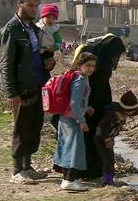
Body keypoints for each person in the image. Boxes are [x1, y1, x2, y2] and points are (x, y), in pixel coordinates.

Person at [0, 0, 54, 184]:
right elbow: (6, 64)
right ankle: (17, 170)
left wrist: (48, 62)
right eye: (30, 5)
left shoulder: (34, 29)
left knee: (33, 126)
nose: (34, 10)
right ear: (19, 5)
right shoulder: (12, 30)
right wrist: (12, 92)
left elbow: (37, 56)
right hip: (21, 88)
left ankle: (28, 167)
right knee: (21, 128)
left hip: (36, 84)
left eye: (36, 6)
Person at [72, 33, 126, 179]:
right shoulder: (92, 64)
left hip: (97, 109)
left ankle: (95, 171)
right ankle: (87, 172)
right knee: (90, 139)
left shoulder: (102, 65)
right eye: (115, 54)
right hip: (89, 111)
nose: (115, 58)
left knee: (96, 139)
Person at [53, 52, 96, 191]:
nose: (90, 68)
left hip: (65, 117)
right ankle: (69, 181)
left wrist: (86, 108)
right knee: (75, 150)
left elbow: (77, 101)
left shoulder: (76, 77)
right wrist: (82, 120)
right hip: (72, 120)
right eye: (88, 65)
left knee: (67, 147)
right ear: (80, 65)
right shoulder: (80, 80)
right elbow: (74, 103)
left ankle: (67, 179)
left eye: (93, 66)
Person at [95, 91, 138, 185]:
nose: (134, 112)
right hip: (102, 139)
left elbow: (134, 111)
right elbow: (102, 127)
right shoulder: (113, 115)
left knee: (109, 160)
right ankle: (108, 182)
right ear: (128, 109)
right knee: (108, 161)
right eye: (133, 109)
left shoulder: (123, 111)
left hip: (107, 139)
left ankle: (107, 180)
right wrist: (107, 139)